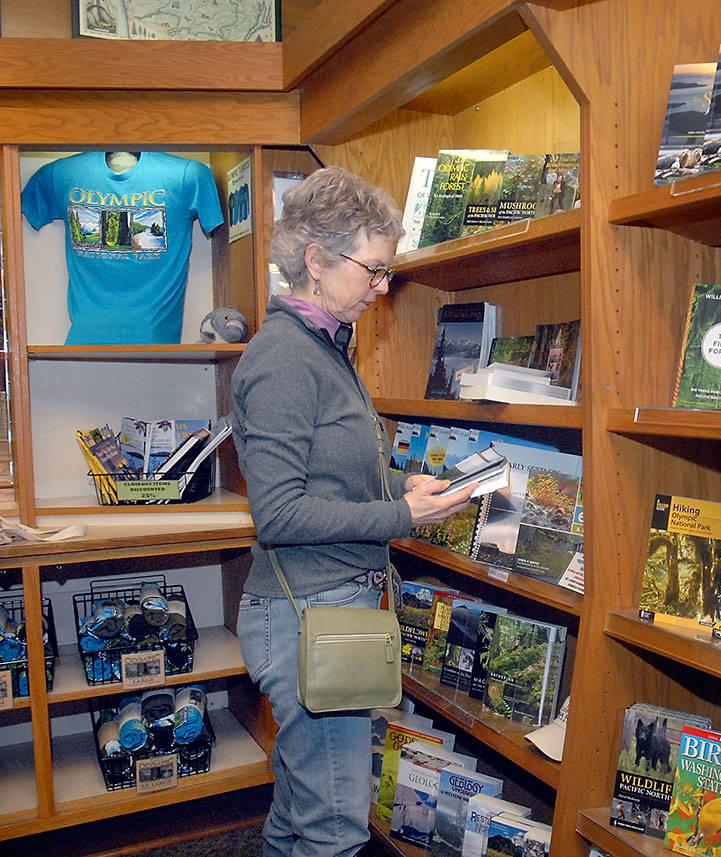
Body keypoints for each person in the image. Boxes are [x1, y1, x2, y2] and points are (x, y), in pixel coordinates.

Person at [231, 166, 471, 857]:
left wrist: (402, 489)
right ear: (316, 260)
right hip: (308, 615)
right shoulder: (284, 360)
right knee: (334, 827)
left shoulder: (324, 349)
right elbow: (280, 514)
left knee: (300, 809)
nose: (382, 286)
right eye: (373, 269)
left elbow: (335, 479)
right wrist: (399, 518)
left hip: (326, 608)